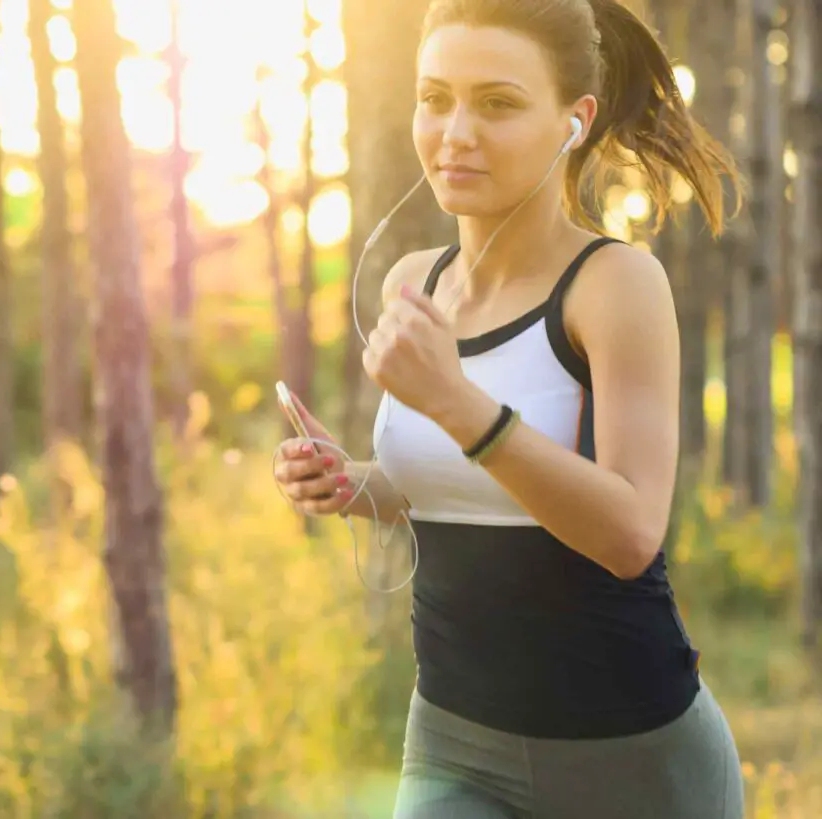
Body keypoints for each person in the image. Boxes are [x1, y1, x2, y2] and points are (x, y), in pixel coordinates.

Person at [274, 0, 744, 816]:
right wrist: (353, 483)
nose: (456, 132)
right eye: (435, 98)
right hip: (455, 742)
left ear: (574, 120)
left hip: (634, 756)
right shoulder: (411, 282)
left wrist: (457, 403)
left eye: (497, 103)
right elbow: (455, 485)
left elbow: (631, 533)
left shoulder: (613, 286)